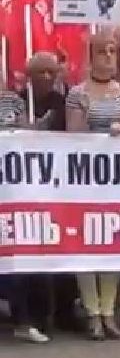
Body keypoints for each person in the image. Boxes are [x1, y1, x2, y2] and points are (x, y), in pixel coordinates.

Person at [67, 30, 120, 341]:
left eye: (113, 51)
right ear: (91, 56)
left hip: (117, 179)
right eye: (102, 52)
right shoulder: (78, 93)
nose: (109, 57)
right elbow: (71, 137)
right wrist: (93, 124)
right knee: (87, 245)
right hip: (86, 179)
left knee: (112, 243)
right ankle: (92, 311)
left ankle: (109, 311)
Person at [0, 52, 65, 343]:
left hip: (17, 188)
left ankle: (27, 318)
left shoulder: (13, 100)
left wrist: (32, 128)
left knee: (21, 253)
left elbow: (24, 134)